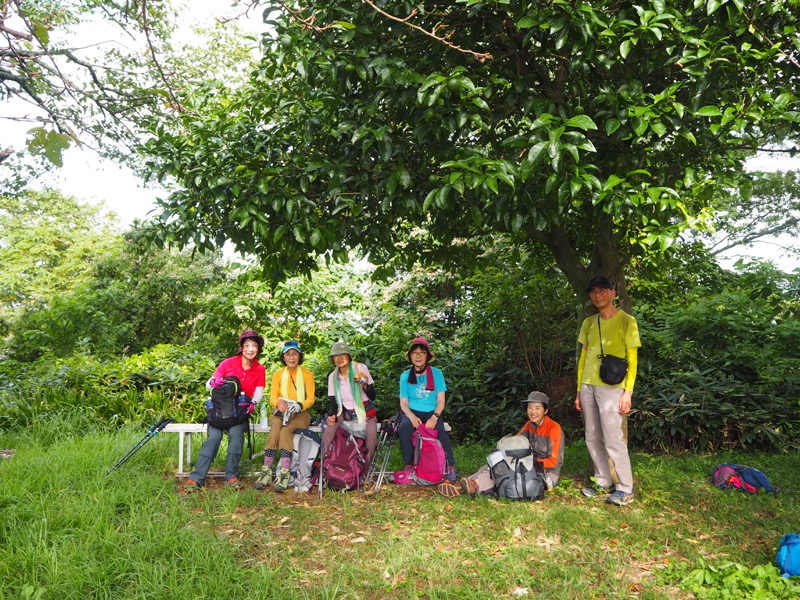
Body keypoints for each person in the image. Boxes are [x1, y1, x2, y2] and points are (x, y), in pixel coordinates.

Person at [575, 276, 641, 506]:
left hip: (613, 387)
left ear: (613, 293)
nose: (597, 295)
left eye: (602, 290)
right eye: (593, 291)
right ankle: (603, 481)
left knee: (613, 438)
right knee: (592, 436)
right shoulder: (589, 323)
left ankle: (626, 488)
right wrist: (578, 391)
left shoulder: (627, 321)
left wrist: (627, 392)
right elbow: (584, 358)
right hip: (588, 385)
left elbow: (632, 359)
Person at [437, 391, 564, 497]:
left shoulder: (554, 428)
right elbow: (514, 442)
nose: (532, 411)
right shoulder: (529, 425)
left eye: (537, 408)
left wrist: (529, 462)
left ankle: (471, 487)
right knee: (492, 466)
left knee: (505, 473)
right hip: (527, 464)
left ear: (545, 410)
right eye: (530, 407)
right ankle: (465, 484)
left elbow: (554, 461)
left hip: (547, 472)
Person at [185, 330, 266, 492]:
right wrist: (214, 382)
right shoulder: (228, 363)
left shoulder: (259, 368)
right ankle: (196, 478)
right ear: (241, 347)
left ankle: (231, 477)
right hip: (219, 410)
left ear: (258, 348)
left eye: (254, 346)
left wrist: (254, 404)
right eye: (247, 345)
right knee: (214, 438)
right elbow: (209, 384)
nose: (251, 349)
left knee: (236, 436)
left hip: (240, 412)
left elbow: (259, 391)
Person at [254, 340, 316, 493]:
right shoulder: (279, 374)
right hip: (281, 412)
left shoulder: (306, 374)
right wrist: (279, 403)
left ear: (299, 356)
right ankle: (266, 471)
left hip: (300, 413)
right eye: (288, 354)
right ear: (284, 357)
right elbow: (272, 398)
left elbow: (311, 399)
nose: (291, 357)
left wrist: (300, 405)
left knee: (285, 431)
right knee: (275, 430)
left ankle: (284, 473)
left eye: (294, 354)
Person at [397, 337, 455, 481]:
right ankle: (410, 464)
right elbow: (403, 402)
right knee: (404, 428)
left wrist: (434, 417)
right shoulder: (405, 376)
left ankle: (448, 466)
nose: (418, 356)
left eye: (422, 352)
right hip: (412, 411)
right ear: (410, 356)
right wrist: (410, 416)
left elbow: (441, 400)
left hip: (431, 411)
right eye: (414, 352)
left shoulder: (437, 374)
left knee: (439, 430)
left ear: (427, 356)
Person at [322, 341, 379, 470]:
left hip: (365, 413)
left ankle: (364, 471)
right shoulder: (333, 377)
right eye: (336, 356)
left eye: (343, 354)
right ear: (332, 359)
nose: (339, 358)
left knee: (371, 440)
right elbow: (333, 402)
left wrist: (364, 383)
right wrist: (332, 417)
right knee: (327, 435)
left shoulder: (360, 368)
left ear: (349, 356)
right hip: (345, 413)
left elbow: (372, 395)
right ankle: (328, 468)